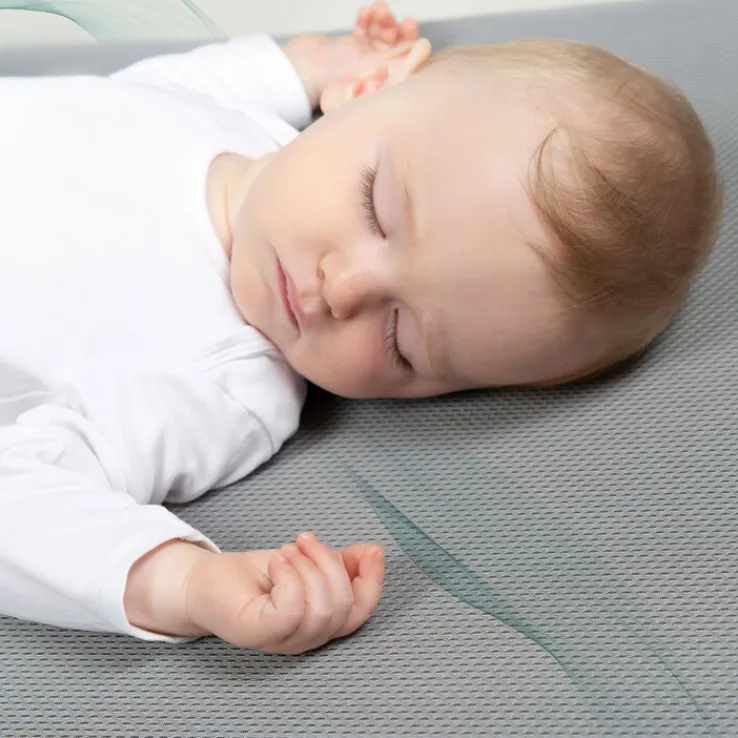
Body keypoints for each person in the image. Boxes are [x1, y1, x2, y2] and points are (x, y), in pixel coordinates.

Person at [0, 2, 721, 654]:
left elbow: (22, 502)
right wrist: (310, 62)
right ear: (367, 89)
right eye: (375, 206)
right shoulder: (228, 113)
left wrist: (181, 583)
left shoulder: (224, 388)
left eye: (400, 341)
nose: (341, 290)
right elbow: (170, 85)